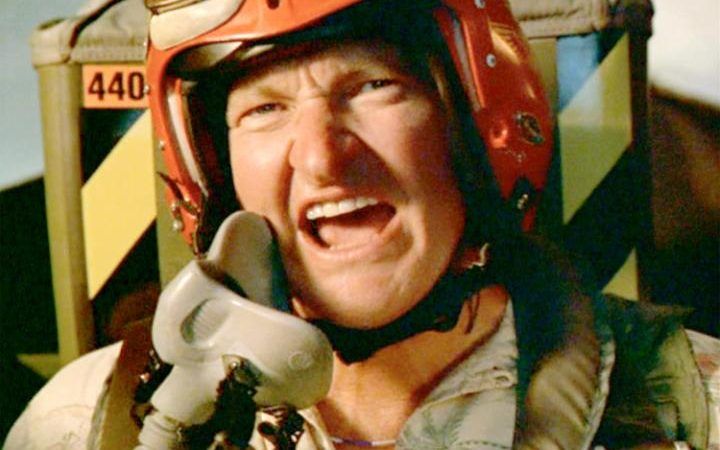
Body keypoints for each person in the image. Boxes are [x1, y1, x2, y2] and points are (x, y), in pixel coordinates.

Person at [6, 0, 719, 449]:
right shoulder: (82, 423)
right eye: (264, 109)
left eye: (375, 87)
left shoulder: (695, 412)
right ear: (213, 172)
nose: (322, 159)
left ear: (476, 132)